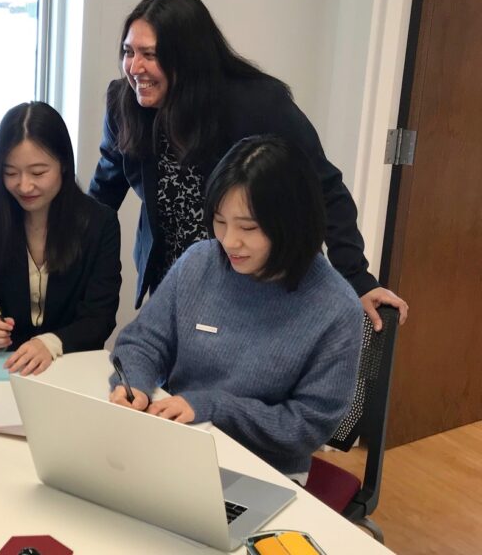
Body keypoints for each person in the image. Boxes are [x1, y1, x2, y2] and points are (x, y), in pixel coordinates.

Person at [88, 0, 407, 331]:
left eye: (149, 54)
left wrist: (357, 277)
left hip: (253, 285)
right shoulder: (124, 104)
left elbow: (323, 186)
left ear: (187, 57)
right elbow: (104, 193)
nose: (134, 67)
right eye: (128, 52)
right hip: (174, 281)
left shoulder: (256, 104)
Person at [109, 135, 363, 481]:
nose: (229, 241)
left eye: (248, 227)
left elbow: (305, 427)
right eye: (219, 221)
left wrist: (213, 406)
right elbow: (143, 342)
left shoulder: (334, 308)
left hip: (265, 470)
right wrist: (134, 385)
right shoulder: (200, 263)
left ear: (293, 223)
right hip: (179, 443)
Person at [0, 102, 122, 375]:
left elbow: (99, 317)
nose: (24, 185)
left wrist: (51, 343)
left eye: (38, 173)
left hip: (66, 365)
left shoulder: (99, 224)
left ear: (63, 166)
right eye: (10, 173)